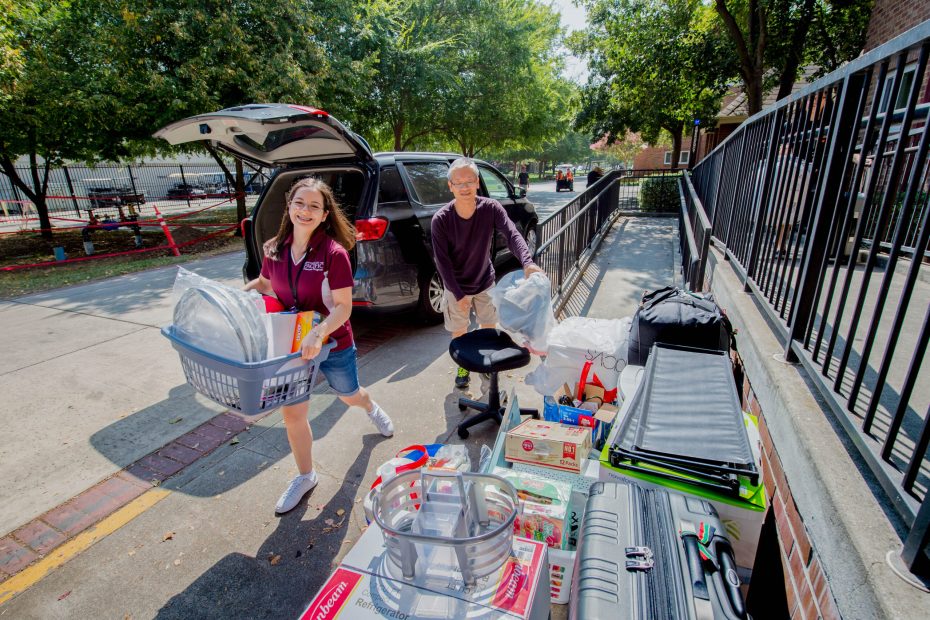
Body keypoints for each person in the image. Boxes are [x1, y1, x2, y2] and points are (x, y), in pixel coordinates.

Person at [244, 177, 394, 514]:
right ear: (289, 206)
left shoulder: (334, 254)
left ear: (325, 215)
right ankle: (306, 475)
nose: (305, 211)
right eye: (300, 203)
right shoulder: (274, 248)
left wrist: (319, 332)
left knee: (348, 395)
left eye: (314, 206)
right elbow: (266, 284)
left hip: (333, 341)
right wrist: (237, 296)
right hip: (292, 345)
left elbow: (343, 306)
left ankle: (370, 407)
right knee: (293, 413)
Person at [431, 158, 544, 389]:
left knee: (488, 326)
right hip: (456, 285)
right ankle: (463, 367)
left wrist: (527, 262)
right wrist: (458, 294)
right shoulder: (441, 219)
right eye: (459, 182)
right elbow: (441, 262)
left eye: (469, 181)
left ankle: (487, 365)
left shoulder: (490, 208)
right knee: (459, 331)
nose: (465, 187)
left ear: (477, 183)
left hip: (484, 280)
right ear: (450, 185)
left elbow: (512, 234)